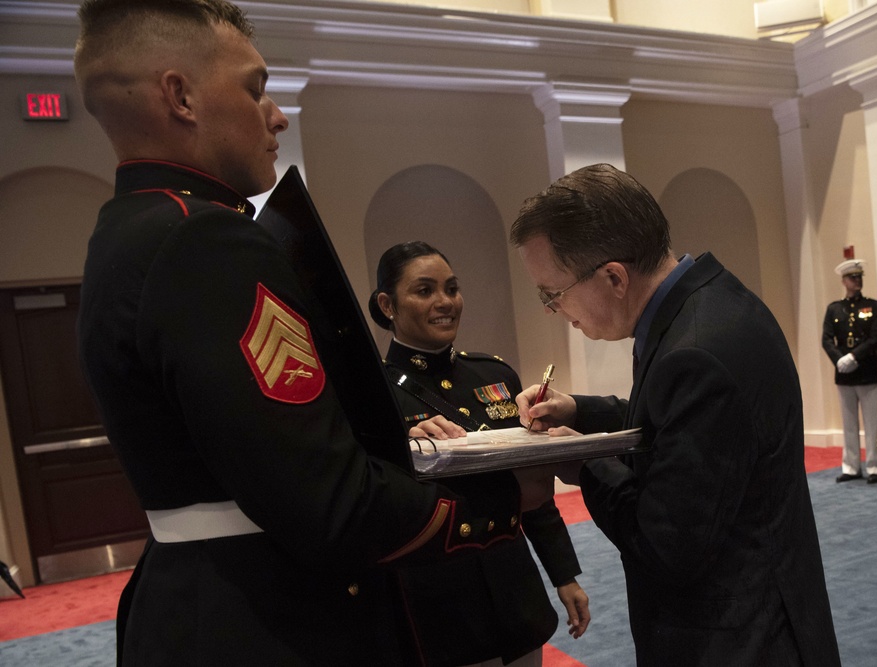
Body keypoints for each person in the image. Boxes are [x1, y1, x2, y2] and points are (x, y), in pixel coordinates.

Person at [73, 2, 552, 664]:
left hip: (197, 604)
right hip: (269, 617)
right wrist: (491, 505)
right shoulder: (208, 240)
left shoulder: (127, 230)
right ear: (180, 96)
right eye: (255, 88)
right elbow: (328, 499)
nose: (276, 114)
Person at [508, 164, 841, 666]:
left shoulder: (696, 352)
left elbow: (667, 547)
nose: (553, 309)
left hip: (738, 639)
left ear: (614, 277)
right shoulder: (706, 304)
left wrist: (581, 463)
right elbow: (679, 428)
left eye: (551, 293)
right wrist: (579, 411)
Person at [368, 241, 590, 666]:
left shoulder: (495, 375)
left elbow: (531, 489)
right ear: (387, 304)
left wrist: (564, 575)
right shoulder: (370, 396)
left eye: (451, 288)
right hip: (439, 611)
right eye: (424, 290)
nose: (444, 302)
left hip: (515, 596)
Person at [822, 260, 877, 483]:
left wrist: (853, 356)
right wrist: (839, 359)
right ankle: (851, 467)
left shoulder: (874, 306)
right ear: (843, 281)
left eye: (859, 277)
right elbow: (827, 338)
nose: (856, 281)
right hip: (844, 373)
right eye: (852, 278)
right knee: (848, 423)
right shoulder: (834, 308)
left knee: (872, 423)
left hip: (867, 369)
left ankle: (876, 466)